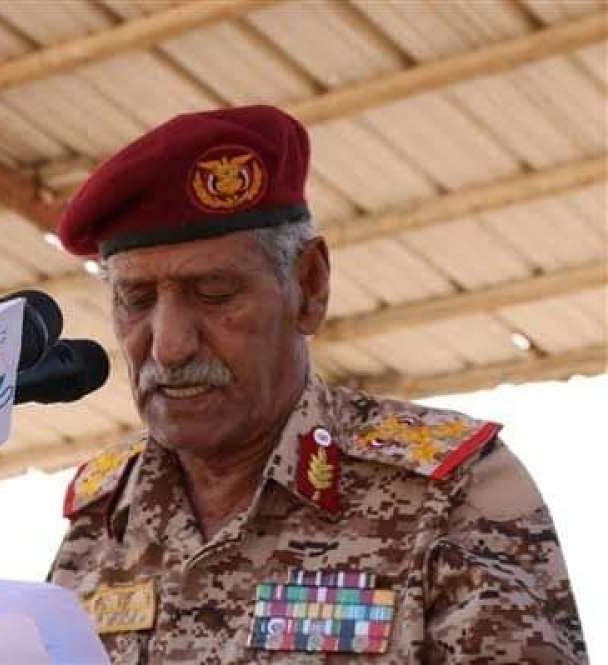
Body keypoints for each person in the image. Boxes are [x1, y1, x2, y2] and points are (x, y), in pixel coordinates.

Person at [47, 106, 587, 664]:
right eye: (135, 300)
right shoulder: (101, 517)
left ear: (309, 286)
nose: (168, 345)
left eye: (214, 294)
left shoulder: (445, 493)